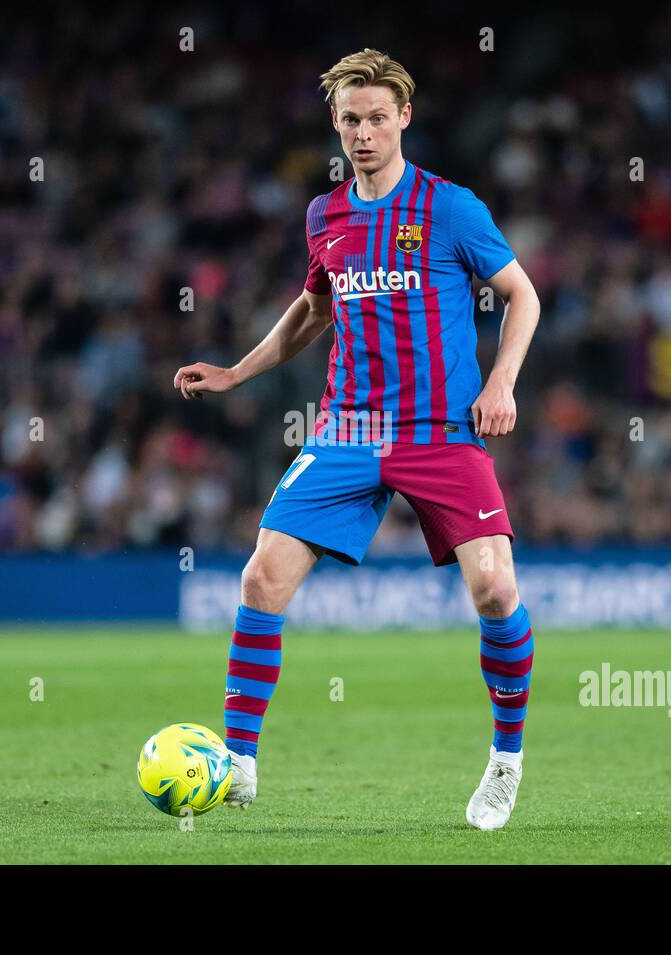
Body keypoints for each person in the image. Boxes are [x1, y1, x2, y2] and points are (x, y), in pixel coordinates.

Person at [173, 48, 541, 829]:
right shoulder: (326, 215)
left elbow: (522, 296)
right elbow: (313, 309)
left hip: (441, 431)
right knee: (261, 578)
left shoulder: (451, 208)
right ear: (334, 125)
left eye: (377, 117)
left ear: (404, 117)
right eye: (350, 120)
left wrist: (503, 380)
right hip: (349, 427)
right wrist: (239, 373)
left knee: (496, 590)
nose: (364, 133)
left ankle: (505, 760)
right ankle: (238, 763)